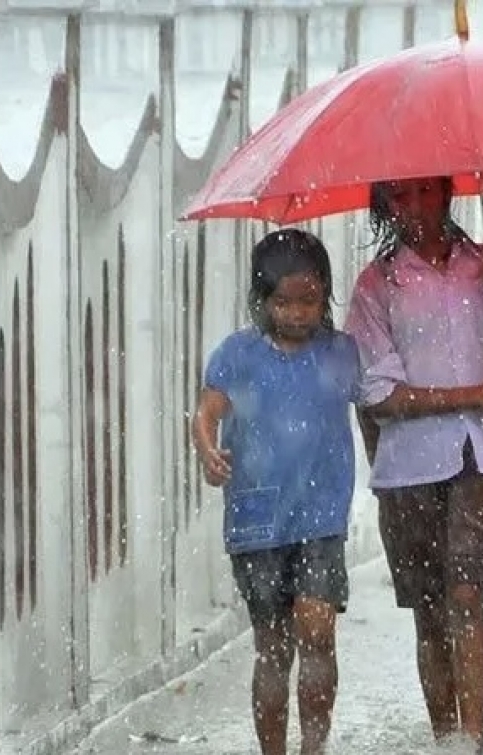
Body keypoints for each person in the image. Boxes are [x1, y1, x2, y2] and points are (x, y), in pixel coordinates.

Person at [343, 176, 483, 753]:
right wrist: (474, 395)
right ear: (386, 206)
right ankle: (445, 738)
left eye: (424, 193)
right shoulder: (377, 285)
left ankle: (472, 742)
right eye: (399, 198)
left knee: (466, 595)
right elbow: (379, 394)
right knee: (430, 609)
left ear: (449, 192)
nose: (413, 209)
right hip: (406, 468)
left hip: (478, 459)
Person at [192, 229, 362, 755]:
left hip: (321, 517)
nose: (296, 313)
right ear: (261, 299)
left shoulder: (341, 353)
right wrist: (206, 449)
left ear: (325, 296)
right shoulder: (238, 354)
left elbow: (377, 412)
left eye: (308, 300)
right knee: (273, 647)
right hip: (257, 519)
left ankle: (314, 745)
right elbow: (207, 411)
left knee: (317, 633)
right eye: (283, 302)